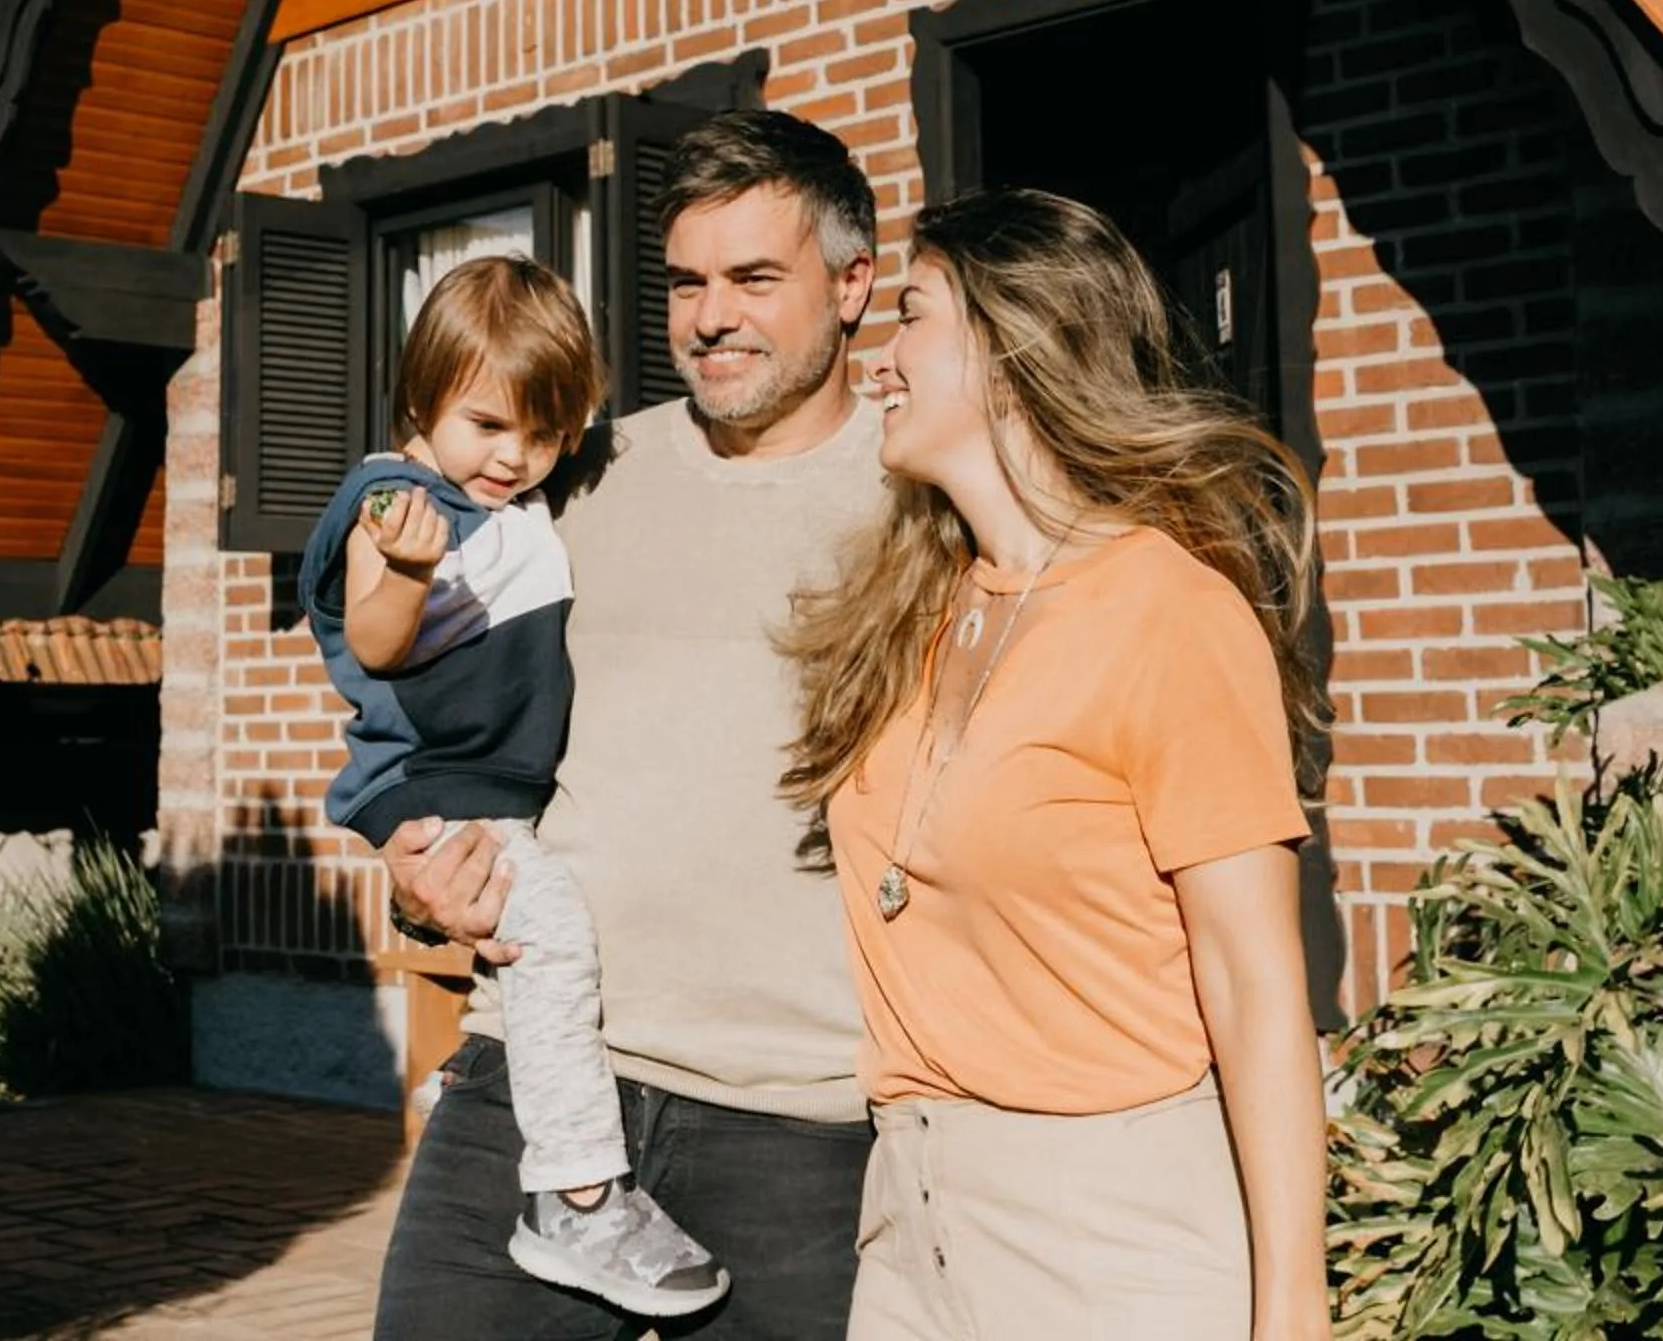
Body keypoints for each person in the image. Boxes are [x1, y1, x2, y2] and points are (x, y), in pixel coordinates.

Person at [780, 188, 1331, 1341]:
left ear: (1009, 350)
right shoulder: (919, 608)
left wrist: (1292, 1307)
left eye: (910, 316)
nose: (879, 363)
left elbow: (1254, 981)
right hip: (912, 1219)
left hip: (1107, 1235)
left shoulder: (1170, 613)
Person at [372, 110, 885, 1341]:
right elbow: (434, 705)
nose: (712, 315)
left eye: (756, 277)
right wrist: (413, 863)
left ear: (854, 282)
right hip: (538, 1081)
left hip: (803, 1120)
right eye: (687, 282)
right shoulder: (572, 479)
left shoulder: (923, 488)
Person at [302, 255, 728, 1320]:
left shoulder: (521, 493)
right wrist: (402, 567)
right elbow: (375, 635)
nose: (516, 456)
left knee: (542, 953)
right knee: (551, 943)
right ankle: (578, 1196)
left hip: (488, 784)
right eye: (487, 424)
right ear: (421, 400)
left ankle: (519, 1120)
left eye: (543, 431)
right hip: (437, 782)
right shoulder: (396, 499)